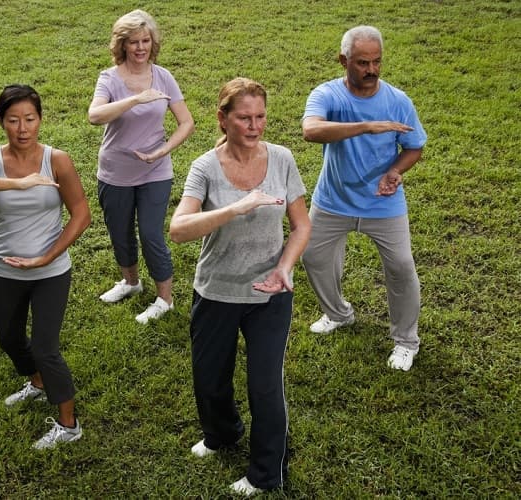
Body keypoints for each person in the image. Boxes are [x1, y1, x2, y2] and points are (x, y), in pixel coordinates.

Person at [170, 78, 310, 496]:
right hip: (216, 291)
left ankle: (266, 473)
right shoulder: (205, 167)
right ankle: (222, 434)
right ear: (223, 119)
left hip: (270, 292)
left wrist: (285, 266)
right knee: (210, 380)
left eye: (260, 117)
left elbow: (301, 225)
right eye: (244, 117)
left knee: (265, 385)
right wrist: (236, 206)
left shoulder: (282, 159)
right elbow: (178, 230)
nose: (254, 126)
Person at [0, 84, 91, 449]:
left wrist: (48, 256)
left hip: (50, 271)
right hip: (7, 269)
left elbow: (81, 215)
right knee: (9, 337)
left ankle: (69, 424)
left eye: (30, 119)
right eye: (13, 120)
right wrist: (16, 182)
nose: (23, 128)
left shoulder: (57, 160)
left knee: (45, 348)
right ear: (1, 122)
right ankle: (37, 381)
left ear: (40, 119)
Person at [301, 25, 427, 372]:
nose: (371, 70)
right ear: (344, 61)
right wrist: (366, 126)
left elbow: (414, 147)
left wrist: (395, 171)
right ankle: (338, 313)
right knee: (313, 257)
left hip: (383, 203)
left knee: (401, 268)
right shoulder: (328, 95)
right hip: (333, 200)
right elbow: (311, 131)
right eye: (362, 63)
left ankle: (405, 341)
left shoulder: (398, 101)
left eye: (376, 62)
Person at [88, 9, 194, 324]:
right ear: (122, 44)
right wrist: (136, 99)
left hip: (155, 171)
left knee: (150, 234)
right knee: (120, 233)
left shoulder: (163, 76)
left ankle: (165, 299)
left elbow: (186, 123)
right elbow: (95, 116)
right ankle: (131, 282)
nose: (140, 47)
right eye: (134, 41)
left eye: (145, 40)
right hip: (115, 171)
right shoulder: (109, 78)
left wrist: (162, 151)